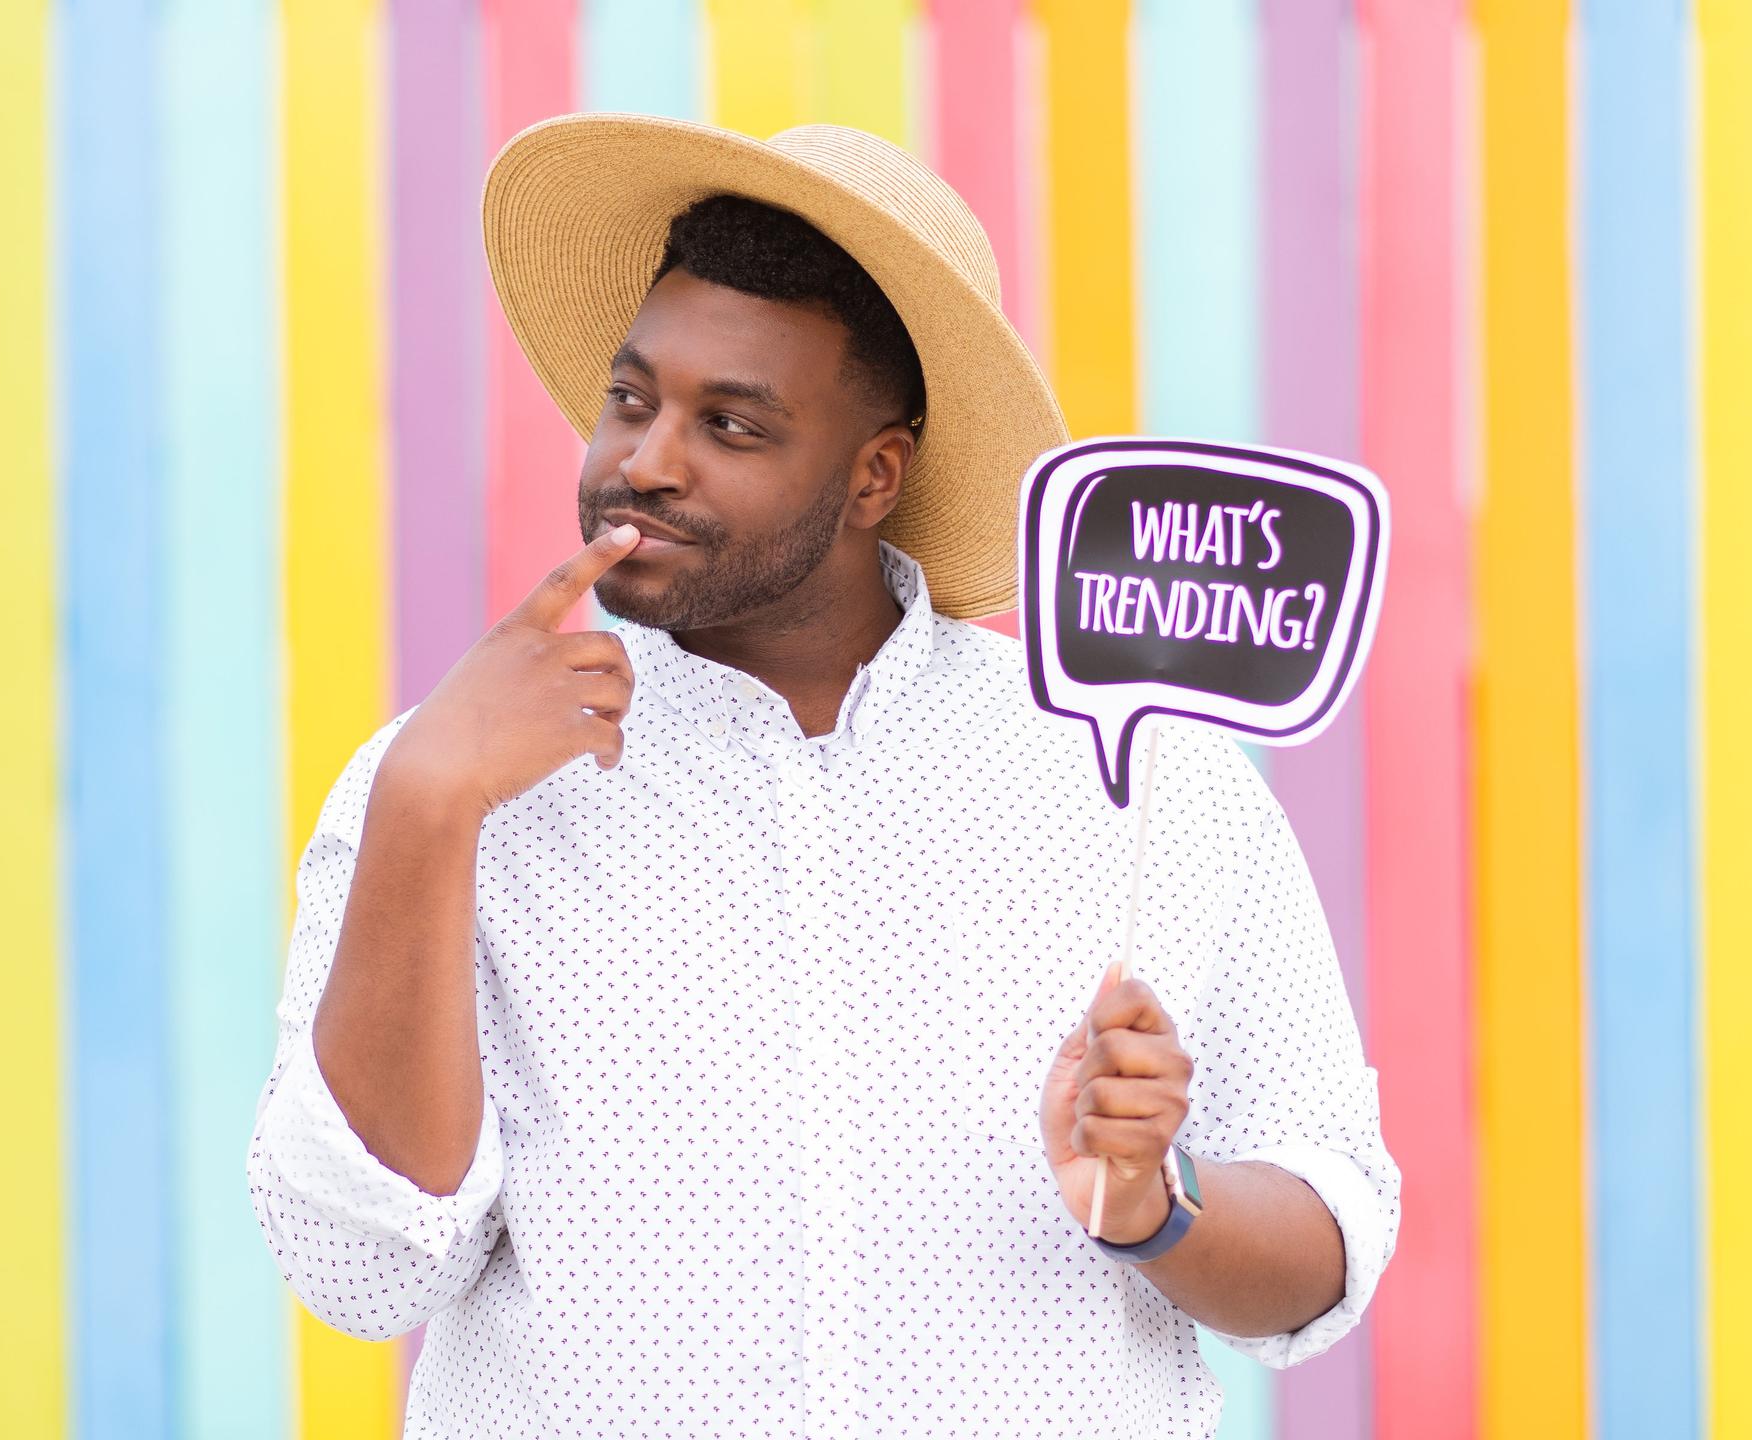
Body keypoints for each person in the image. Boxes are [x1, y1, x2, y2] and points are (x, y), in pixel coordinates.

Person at [247, 114, 1399, 1439]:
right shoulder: (448, 781)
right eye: (633, 399)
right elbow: (361, 1271)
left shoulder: (1146, 781)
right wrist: (424, 810)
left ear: (873, 477)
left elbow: (1324, 1252)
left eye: (731, 425)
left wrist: (1156, 1204)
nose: (644, 463)